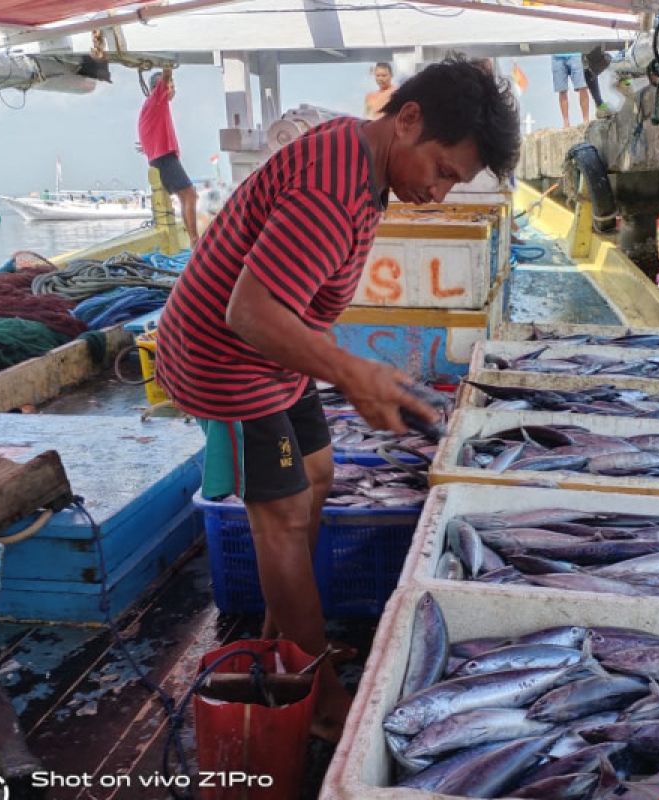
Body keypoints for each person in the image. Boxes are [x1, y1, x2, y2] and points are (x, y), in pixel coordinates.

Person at [152, 56, 520, 741]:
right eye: (441, 170)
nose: (439, 192)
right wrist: (354, 374)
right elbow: (251, 313)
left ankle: (286, 638)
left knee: (319, 476)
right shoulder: (332, 184)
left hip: (277, 354)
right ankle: (315, 693)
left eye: (454, 183)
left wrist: (351, 371)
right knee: (285, 518)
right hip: (228, 360)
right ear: (406, 119)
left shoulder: (363, 163)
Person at [137, 66, 199, 244]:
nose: (174, 89)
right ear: (161, 88)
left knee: (185, 196)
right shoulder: (156, 100)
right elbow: (165, 77)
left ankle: (192, 239)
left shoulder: (153, 106)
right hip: (164, 158)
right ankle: (195, 240)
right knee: (190, 195)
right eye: (172, 85)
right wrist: (167, 62)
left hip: (162, 157)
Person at [551, 53, 590, 127]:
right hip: (557, 56)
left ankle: (586, 120)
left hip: (575, 53)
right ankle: (566, 123)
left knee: (582, 86)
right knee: (562, 90)